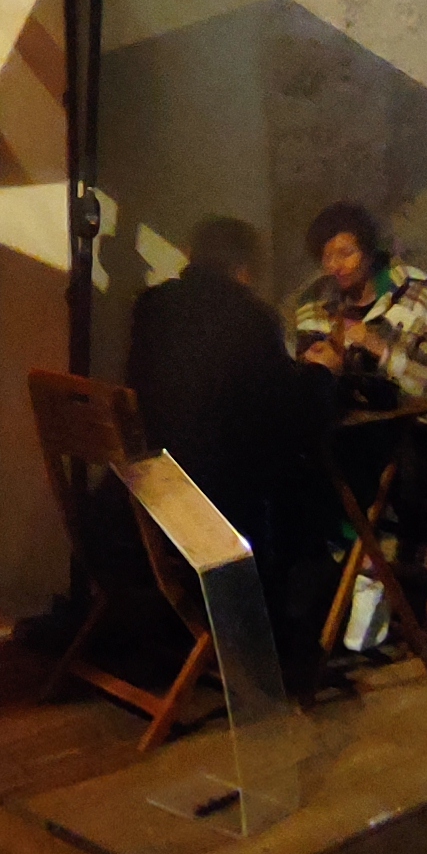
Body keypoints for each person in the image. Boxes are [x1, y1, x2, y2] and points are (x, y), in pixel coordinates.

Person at [290, 199, 427, 591]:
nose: (336, 266)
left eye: (346, 253)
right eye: (327, 257)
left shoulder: (414, 292)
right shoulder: (317, 301)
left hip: (419, 435)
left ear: (368, 249)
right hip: (349, 432)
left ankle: (364, 570)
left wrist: (378, 347)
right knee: (297, 462)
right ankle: (350, 571)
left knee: (350, 469)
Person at [128, 216, 327, 592]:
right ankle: (275, 609)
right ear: (245, 269)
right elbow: (287, 417)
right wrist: (323, 374)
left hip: (148, 492)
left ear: (191, 255)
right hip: (214, 506)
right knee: (302, 477)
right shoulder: (252, 319)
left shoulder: (150, 307)